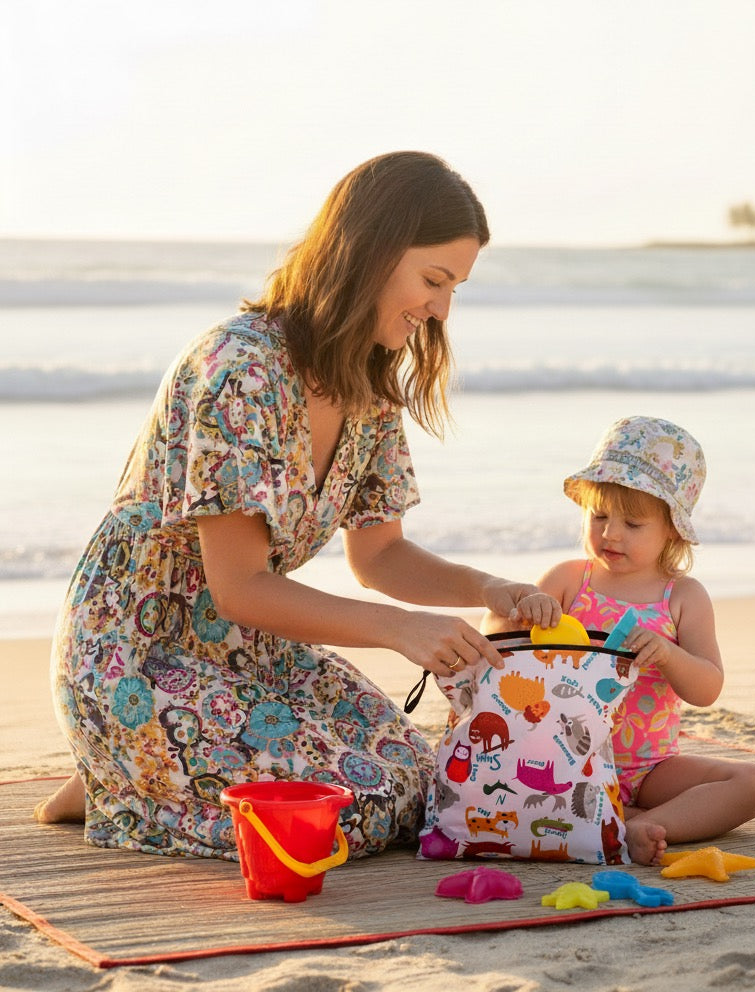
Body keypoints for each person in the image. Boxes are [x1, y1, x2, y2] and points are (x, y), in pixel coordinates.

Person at [36, 151, 561, 861]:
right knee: (357, 812)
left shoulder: (370, 391)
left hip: (246, 651)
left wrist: (485, 589)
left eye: (454, 289)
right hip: (135, 650)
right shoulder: (240, 368)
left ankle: (128, 775)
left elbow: (379, 557)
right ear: (369, 253)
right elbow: (239, 585)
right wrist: (402, 630)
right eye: (434, 280)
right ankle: (118, 774)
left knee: (423, 780)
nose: (440, 309)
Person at [483, 415, 755, 865]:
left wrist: (669, 655)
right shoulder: (566, 581)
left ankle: (641, 822)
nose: (610, 533)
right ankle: (623, 818)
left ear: (672, 529)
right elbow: (499, 650)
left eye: (632, 524)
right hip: (567, 763)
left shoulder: (683, 597)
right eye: (599, 516)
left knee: (753, 785)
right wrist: (516, 614)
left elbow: (707, 688)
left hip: (652, 768)